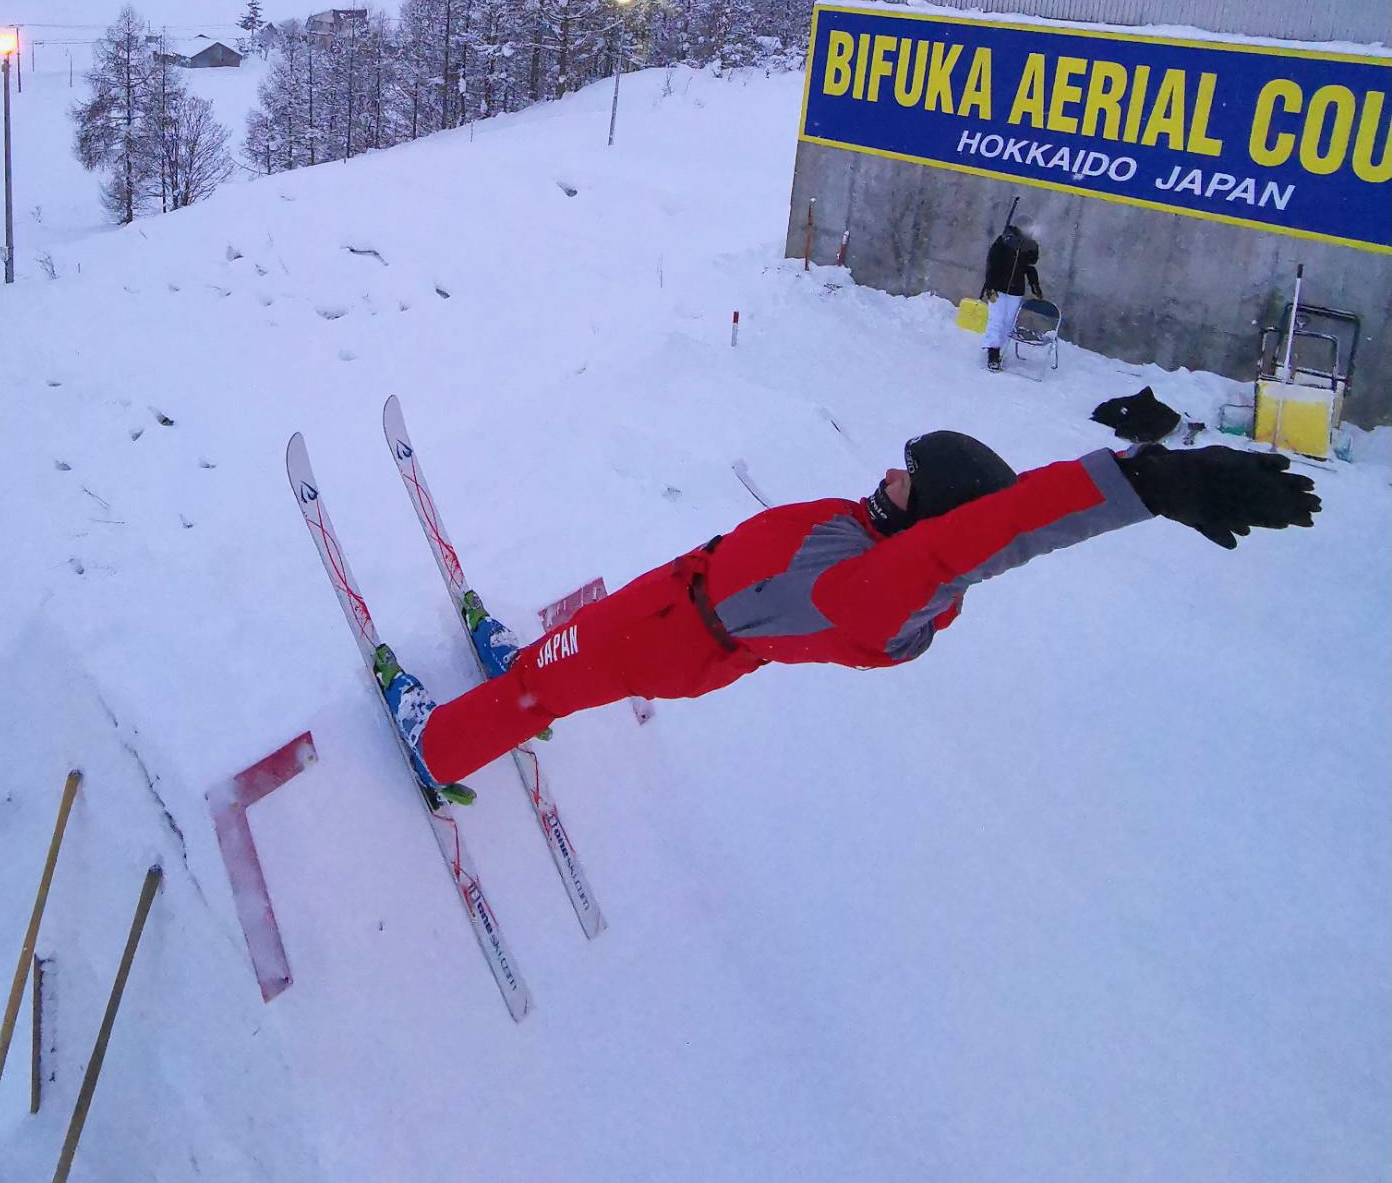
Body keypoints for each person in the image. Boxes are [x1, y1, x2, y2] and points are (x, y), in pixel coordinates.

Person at [373, 432, 1319, 801]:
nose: (891, 471)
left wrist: (1141, 483)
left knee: (549, 687)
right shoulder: (872, 539)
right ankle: (529, 668)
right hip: (676, 599)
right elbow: (982, 517)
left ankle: (438, 747)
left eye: (912, 475)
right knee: (558, 661)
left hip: (669, 634)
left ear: (931, 515)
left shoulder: (876, 587)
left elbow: (994, 532)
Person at [982, 219, 1042, 373]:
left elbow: (1030, 268)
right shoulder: (1004, 241)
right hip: (998, 288)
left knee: (1008, 322)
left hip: (1016, 291)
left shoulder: (1029, 246)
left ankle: (1000, 350)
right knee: (996, 320)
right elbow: (992, 263)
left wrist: (1035, 285)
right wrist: (990, 286)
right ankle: (993, 354)